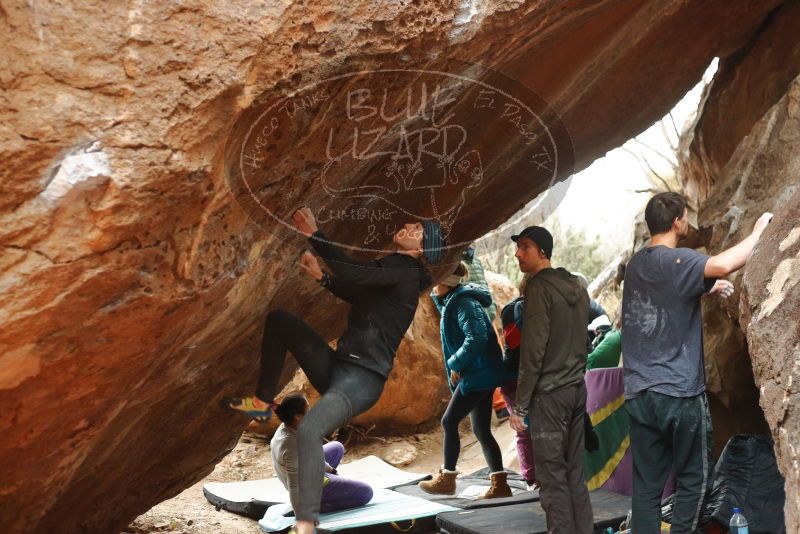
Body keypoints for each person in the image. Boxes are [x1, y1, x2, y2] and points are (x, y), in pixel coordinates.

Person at [222, 208, 444, 534]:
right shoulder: (396, 272)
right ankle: (261, 401)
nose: (409, 224)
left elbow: (354, 274)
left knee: (310, 430)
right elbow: (356, 291)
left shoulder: (405, 268)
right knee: (280, 321)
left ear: (421, 248)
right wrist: (321, 277)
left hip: (362, 379)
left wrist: (315, 233)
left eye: (418, 228)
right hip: (338, 367)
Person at [621, 192, 772, 533]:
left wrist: (705, 287)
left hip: (639, 394)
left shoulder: (636, 266)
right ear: (678, 221)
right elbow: (723, 263)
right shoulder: (679, 259)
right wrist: (759, 231)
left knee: (646, 488)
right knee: (693, 480)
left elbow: (663, 295)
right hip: (679, 392)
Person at [507, 226, 594, 533]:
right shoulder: (577, 287)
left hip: (550, 397)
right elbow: (584, 343)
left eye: (525, 247)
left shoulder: (538, 289)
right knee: (574, 476)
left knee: (552, 480)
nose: (518, 253)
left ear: (542, 251)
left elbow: (533, 352)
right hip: (575, 391)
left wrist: (520, 406)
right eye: (518, 247)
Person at [419, 262, 511, 499]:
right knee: (481, 429)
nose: (433, 287)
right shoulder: (455, 301)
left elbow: (476, 337)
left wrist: (456, 363)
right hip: (482, 373)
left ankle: (447, 479)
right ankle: (500, 485)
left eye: (437, 282)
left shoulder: (464, 303)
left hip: (478, 375)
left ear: (447, 284)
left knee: (449, 421)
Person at [271, 394, 373, 514]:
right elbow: (294, 485)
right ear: (298, 417)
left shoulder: (291, 425)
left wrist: (330, 469)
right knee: (366, 493)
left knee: (337, 447)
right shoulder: (291, 445)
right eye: (308, 409)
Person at [462, 245, 509, 421]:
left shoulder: (469, 261)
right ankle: (502, 404)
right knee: (490, 360)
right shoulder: (467, 261)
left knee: (492, 360)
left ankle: (503, 404)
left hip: (480, 317)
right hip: (479, 317)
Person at [498, 273, 537, 489]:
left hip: (529, 376)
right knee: (524, 429)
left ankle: (537, 477)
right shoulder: (513, 310)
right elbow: (515, 348)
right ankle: (531, 478)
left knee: (533, 429)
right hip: (515, 377)